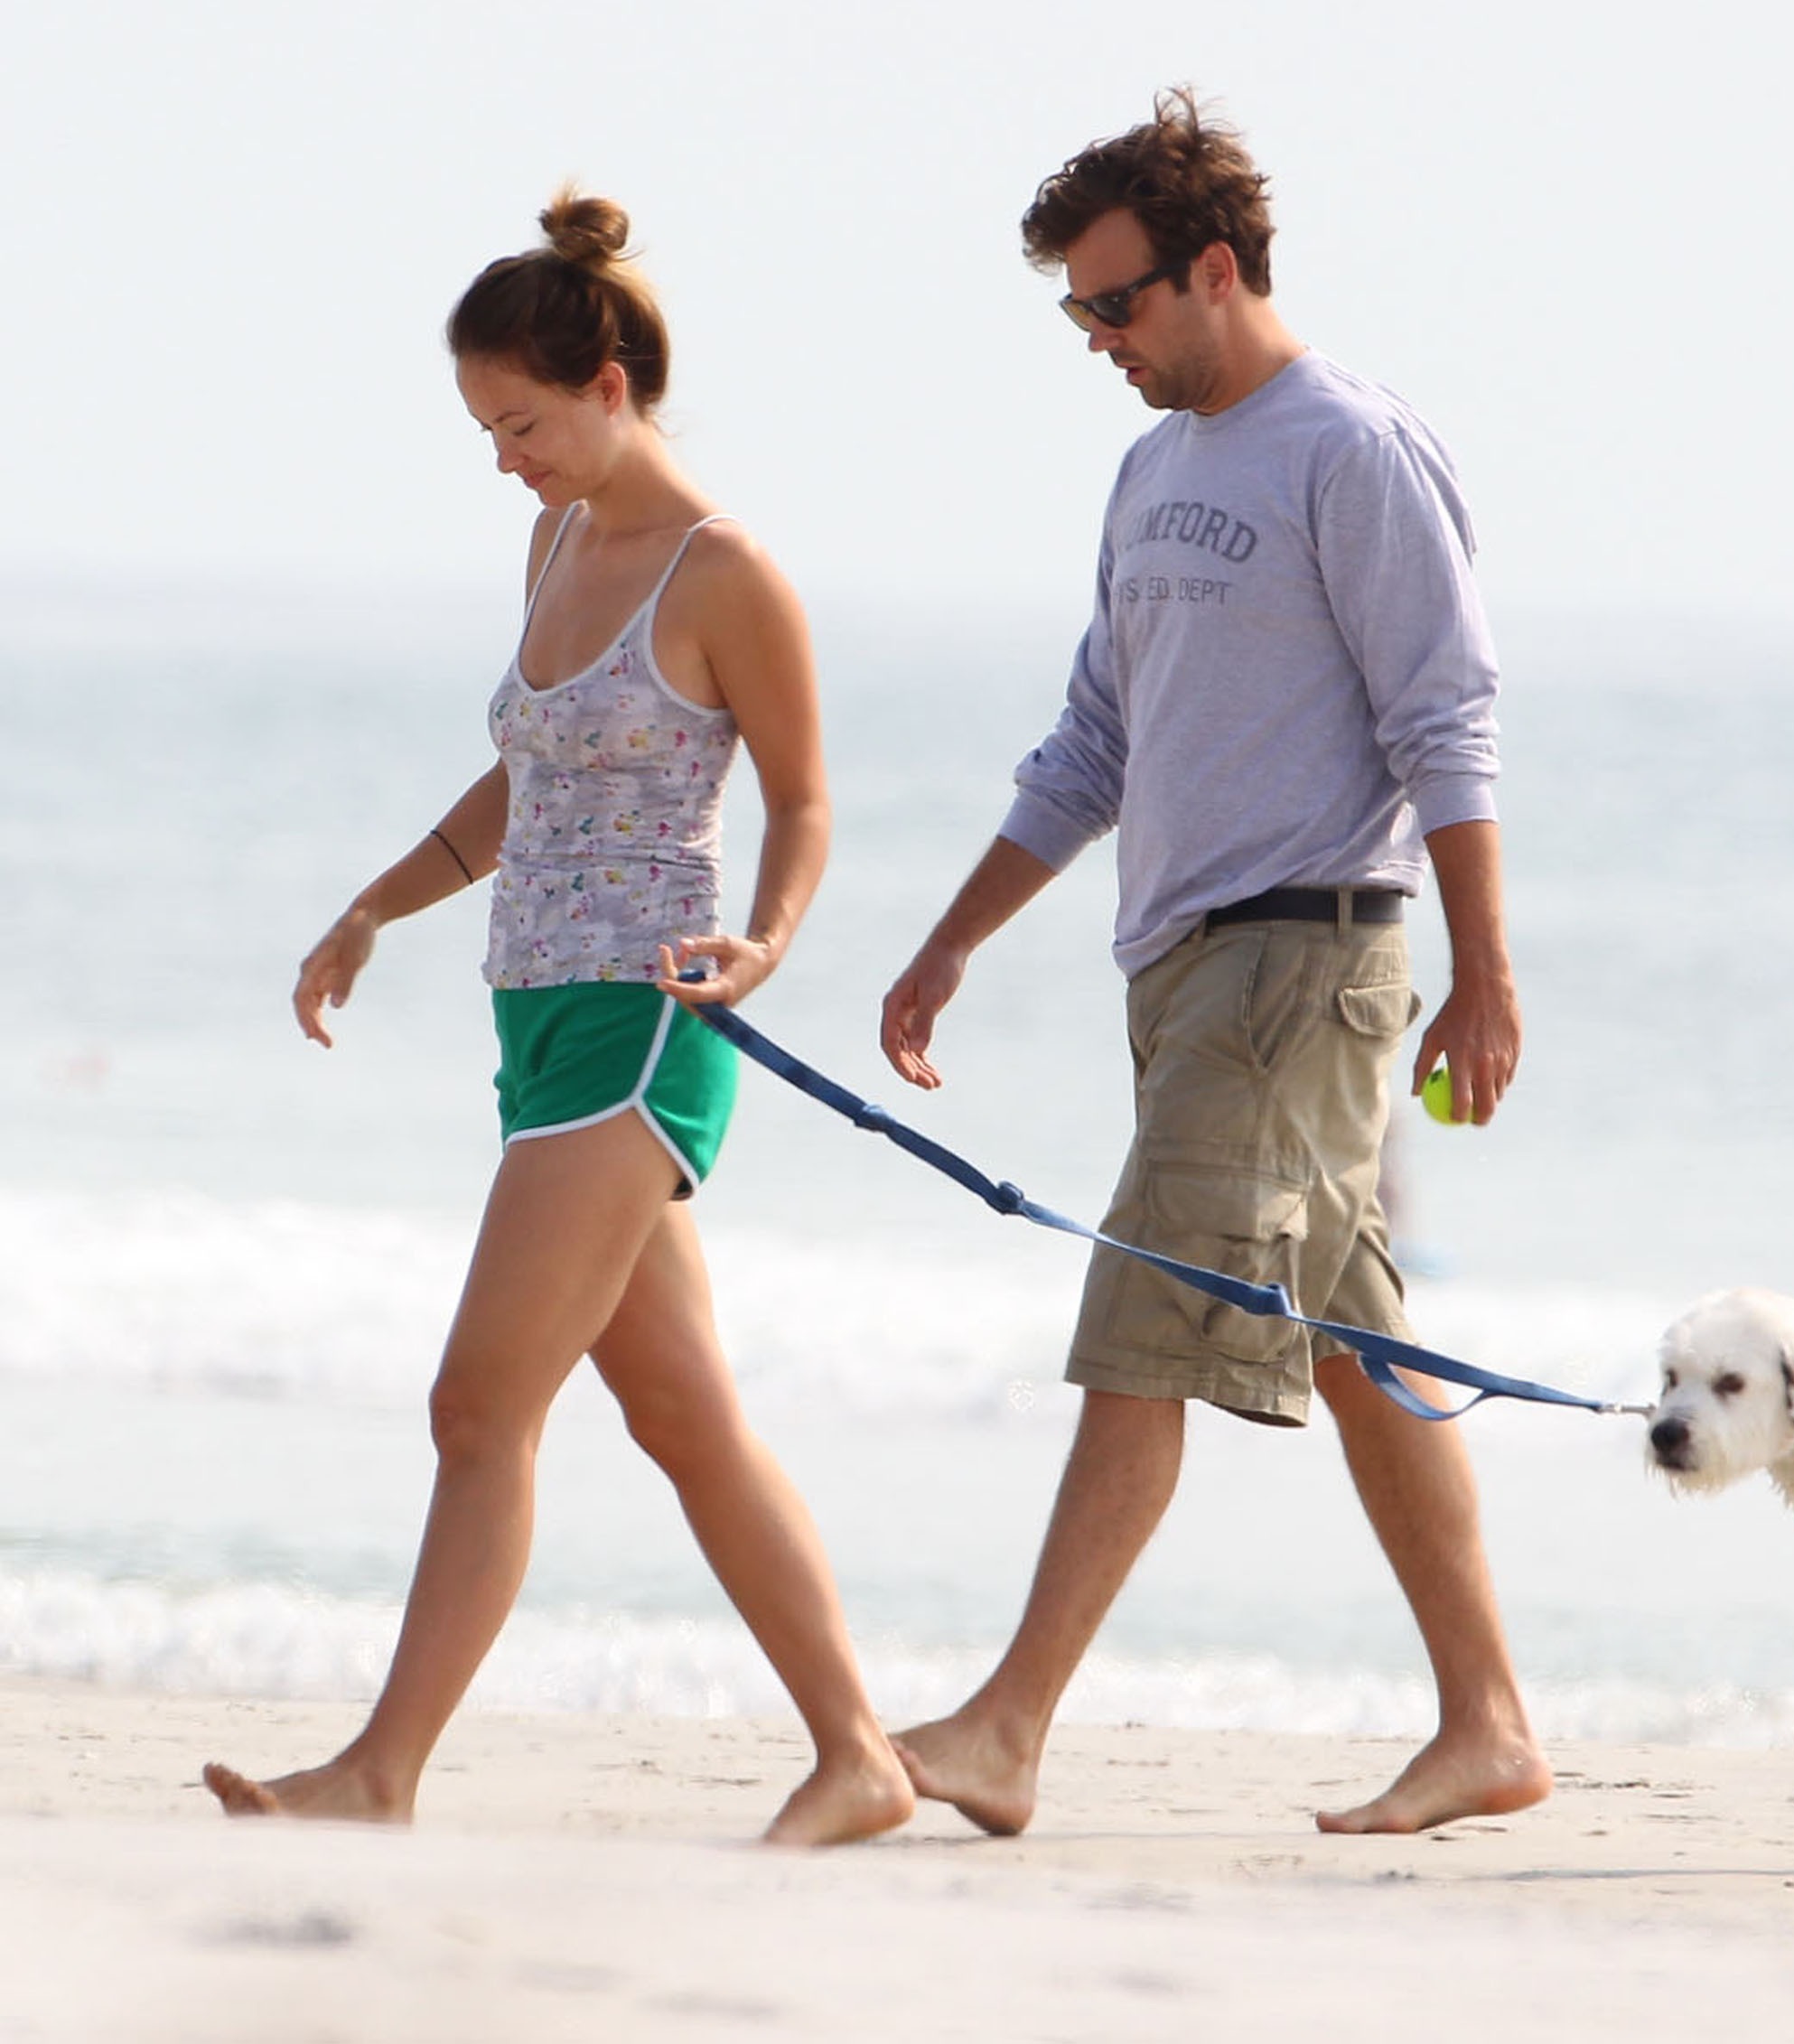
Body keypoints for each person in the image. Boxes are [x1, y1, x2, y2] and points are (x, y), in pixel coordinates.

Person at [877, 89, 1551, 1838]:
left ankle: (1009, 1726)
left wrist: (1485, 974)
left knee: (1144, 1326)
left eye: (1118, 305)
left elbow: (1447, 720)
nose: (1097, 340)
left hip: (1303, 960)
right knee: (1353, 1341)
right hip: (1185, 974)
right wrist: (950, 942)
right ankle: (1489, 1721)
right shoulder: (1154, 469)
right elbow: (1094, 743)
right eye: (1079, 312)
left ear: (1218, 268)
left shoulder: (1348, 447)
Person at [201, 192, 914, 1848]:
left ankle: (379, 1771)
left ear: (607, 382)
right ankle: (860, 1753)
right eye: (484, 431)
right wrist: (372, 904)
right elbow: (520, 783)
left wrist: (771, 940)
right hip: (533, 1025)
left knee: (478, 1404)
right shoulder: (550, 548)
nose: (505, 459)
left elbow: (806, 802)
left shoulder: (724, 569)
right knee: (682, 1414)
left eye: (518, 422)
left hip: (646, 1022)